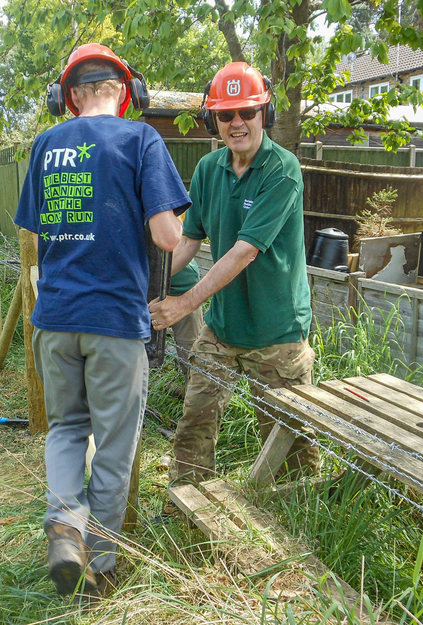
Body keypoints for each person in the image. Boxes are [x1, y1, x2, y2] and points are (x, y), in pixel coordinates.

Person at [14, 43, 190, 597]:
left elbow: (38, 239)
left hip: (55, 320)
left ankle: (65, 522)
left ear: (67, 96)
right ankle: (100, 569)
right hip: (115, 320)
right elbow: (165, 238)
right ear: (127, 92)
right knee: (114, 447)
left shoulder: (45, 145)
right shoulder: (142, 139)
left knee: (67, 429)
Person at [149, 62, 320, 484]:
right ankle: (185, 503)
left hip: (276, 332)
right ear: (214, 121)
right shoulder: (209, 170)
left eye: (247, 111)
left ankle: (299, 515)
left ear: (266, 114)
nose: (237, 122)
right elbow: (188, 243)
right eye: (226, 114)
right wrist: (145, 288)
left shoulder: (282, 170)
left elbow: (243, 253)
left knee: (289, 440)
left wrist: (183, 305)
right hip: (222, 329)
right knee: (194, 423)